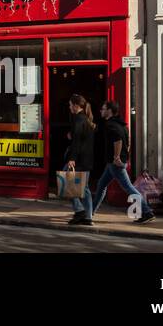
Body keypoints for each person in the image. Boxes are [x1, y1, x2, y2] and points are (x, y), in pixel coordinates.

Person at [92, 100, 154, 223]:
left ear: (109, 111)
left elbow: (118, 141)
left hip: (115, 163)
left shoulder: (110, 125)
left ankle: (147, 211)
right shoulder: (122, 124)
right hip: (114, 163)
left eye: (103, 108)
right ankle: (91, 211)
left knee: (129, 188)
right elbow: (128, 142)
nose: (101, 111)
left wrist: (117, 157)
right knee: (101, 185)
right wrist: (123, 156)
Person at [63, 93, 97, 226]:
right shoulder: (87, 120)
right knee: (86, 188)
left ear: (76, 106)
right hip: (87, 159)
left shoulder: (78, 119)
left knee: (67, 182)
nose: (69, 107)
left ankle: (79, 210)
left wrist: (72, 159)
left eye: (70, 105)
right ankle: (88, 217)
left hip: (78, 160)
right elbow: (83, 139)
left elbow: (77, 142)